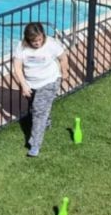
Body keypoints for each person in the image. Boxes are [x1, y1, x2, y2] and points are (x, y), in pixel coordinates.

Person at [13, 21, 69, 158]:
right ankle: (47, 121)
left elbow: (63, 58)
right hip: (31, 83)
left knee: (38, 112)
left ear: (43, 36)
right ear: (27, 39)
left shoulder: (51, 44)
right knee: (36, 107)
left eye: (39, 39)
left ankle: (35, 145)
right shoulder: (21, 47)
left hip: (49, 81)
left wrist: (65, 71)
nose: (37, 43)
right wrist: (24, 85)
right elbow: (17, 67)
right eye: (34, 41)